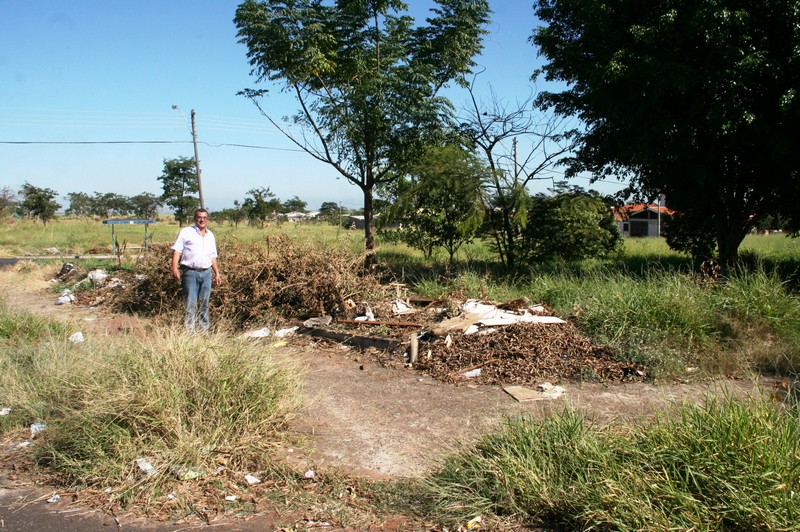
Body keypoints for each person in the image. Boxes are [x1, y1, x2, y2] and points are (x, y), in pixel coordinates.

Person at [171, 209, 221, 331]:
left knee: (204, 304)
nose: (202, 220)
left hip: (206, 273)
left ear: (207, 220)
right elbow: (177, 251)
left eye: (204, 218)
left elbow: (213, 256)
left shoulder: (210, 236)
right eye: (199, 217)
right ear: (195, 219)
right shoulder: (186, 232)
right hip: (190, 273)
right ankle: (190, 332)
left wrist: (217, 273)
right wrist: (174, 268)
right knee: (190, 304)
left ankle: (204, 331)